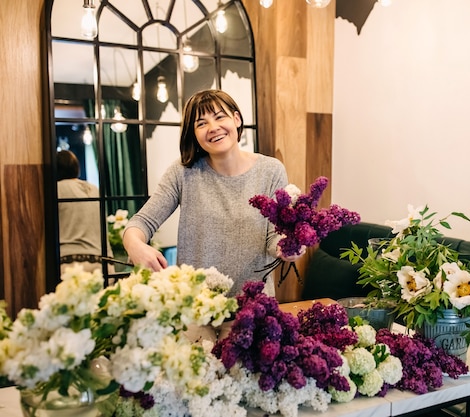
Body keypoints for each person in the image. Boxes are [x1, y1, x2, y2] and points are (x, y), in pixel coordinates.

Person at [123, 89, 302, 297]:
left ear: (236, 119)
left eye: (219, 117)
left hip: (254, 307)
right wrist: (134, 244)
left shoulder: (271, 170)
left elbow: (273, 237)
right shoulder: (183, 172)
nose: (213, 128)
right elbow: (142, 222)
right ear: (194, 133)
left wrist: (287, 246)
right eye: (201, 123)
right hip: (196, 307)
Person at [57, 149, 111, 274]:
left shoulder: (57, 190)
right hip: (103, 263)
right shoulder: (94, 189)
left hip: (70, 263)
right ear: (77, 168)